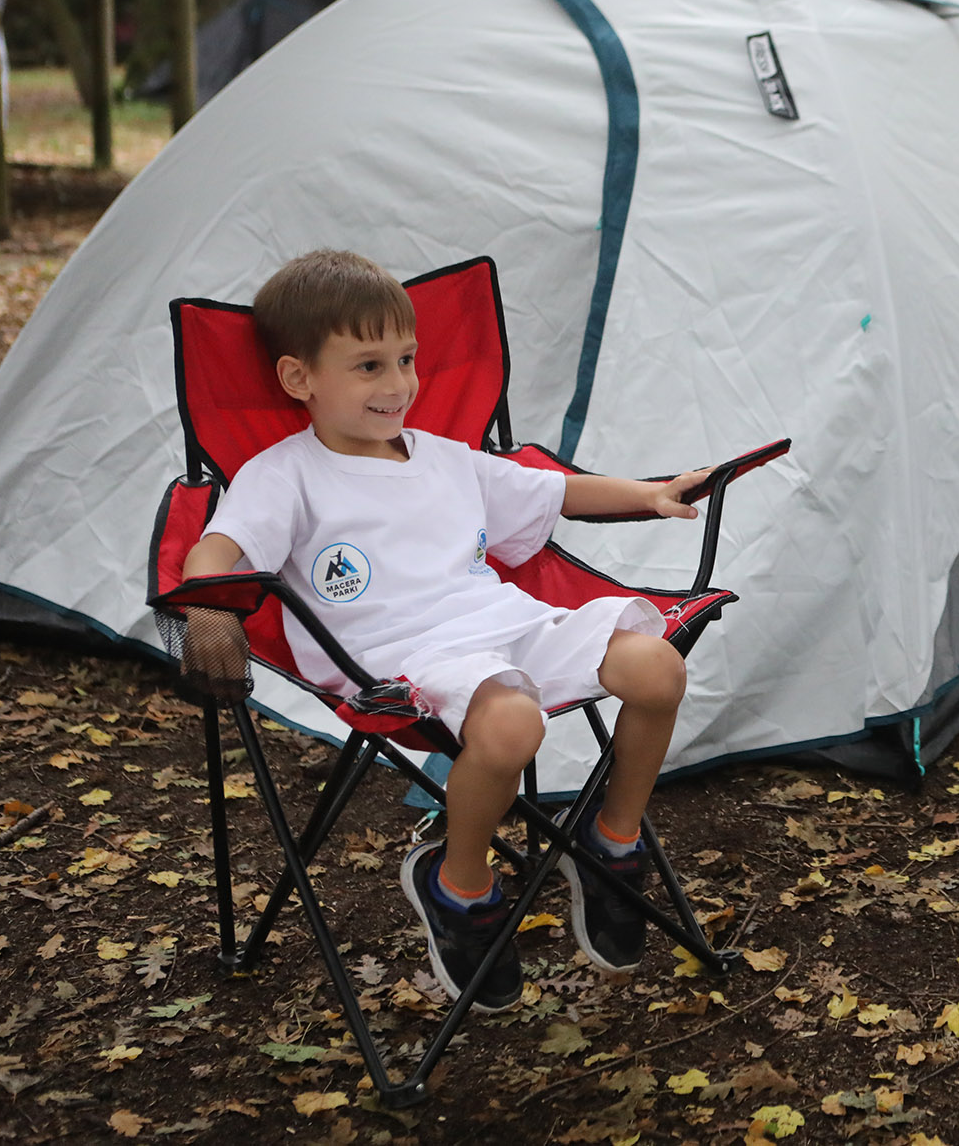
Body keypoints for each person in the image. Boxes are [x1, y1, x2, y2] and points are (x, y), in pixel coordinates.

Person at [178, 250, 706, 1013]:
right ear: (301, 379)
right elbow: (218, 549)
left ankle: (611, 843)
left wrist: (650, 495)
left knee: (658, 667)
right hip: (399, 661)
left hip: (503, 624)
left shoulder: (445, 458)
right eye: (367, 366)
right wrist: (208, 604)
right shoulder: (283, 474)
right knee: (514, 723)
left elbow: (556, 491)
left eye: (406, 359)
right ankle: (459, 886)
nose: (397, 385)